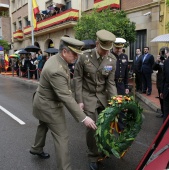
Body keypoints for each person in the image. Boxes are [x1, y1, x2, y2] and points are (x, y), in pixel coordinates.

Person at [30, 36, 97, 170]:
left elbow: (66, 87)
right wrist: (84, 117)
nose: (77, 57)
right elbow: (65, 96)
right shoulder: (57, 70)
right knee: (62, 137)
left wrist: (79, 100)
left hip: (42, 101)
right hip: (49, 106)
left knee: (43, 125)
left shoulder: (57, 59)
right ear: (65, 51)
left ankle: (36, 148)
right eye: (74, 54)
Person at [73, 29, 117, 170]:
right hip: (88, 95)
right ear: (97, 44)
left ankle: (105, 148)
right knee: (92, 126)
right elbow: (77, 78)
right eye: (104, 49)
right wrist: (79, 100)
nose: (106, 52)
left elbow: (110, 83)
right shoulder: (84, 57)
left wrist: (115, 101)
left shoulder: (112, 59)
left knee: (107, 123)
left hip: (103, 96)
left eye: (108, 49)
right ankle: (93, 155)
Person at [153, 48, 166, 118]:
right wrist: (157, 62)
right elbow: (154, 68)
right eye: (161, 53)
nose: (162, 55)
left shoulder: (167, 61)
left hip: (167, 84)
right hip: (160, 83)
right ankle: (163, 113)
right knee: (161, 99)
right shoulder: (159, 62)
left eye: (163, 53)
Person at [160, 47, 169, 122]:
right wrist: (162, 91)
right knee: (166, 111)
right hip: (167, 90)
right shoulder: (167, 62)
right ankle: (164, 131)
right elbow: (163, 78)